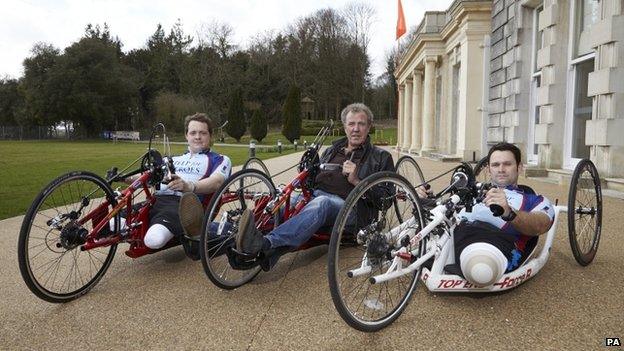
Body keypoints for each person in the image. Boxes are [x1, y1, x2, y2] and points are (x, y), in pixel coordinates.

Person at [236, 103, 395, 267]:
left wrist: (357, 180)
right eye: (351, 124)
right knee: (278, 199)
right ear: (345, 127)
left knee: (322, 203)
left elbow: (386, 200)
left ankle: (267, 244)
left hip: (351, 209)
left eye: (361, 124)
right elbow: (312, 182)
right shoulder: (332, 150)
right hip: (314, 196)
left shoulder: (381, 157)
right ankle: (228, 234)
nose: (356, 129)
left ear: (369, 127)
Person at [418, 142, 555, 286]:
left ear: (519, 167)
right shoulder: (474, 191)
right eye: (495, 165)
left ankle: (439, 257)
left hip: (494, 241)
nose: (501, 169)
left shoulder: (534, 200)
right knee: (421, 226)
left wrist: (509, 212)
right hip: (452, 233)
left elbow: (542, 224)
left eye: (507, 164)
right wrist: (428, 201)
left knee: (481, 268)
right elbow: (448, 210)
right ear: (489, 169)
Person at [124, 113, 231, 251]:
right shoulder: (172, 159)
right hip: (154, 201)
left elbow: (216, 182)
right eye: (193, 133)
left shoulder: (220, 159)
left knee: (153, 239)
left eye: (202, 133)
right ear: (187, 135)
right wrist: (125, 178)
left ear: (210, 136)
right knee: (109, 226)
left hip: (185, 206)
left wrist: (188, 186)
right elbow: (150, 179)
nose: (197, 137)